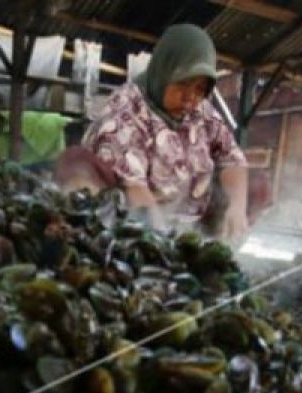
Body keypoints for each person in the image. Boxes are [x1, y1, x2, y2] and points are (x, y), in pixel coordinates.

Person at [55, 24, 250, 243]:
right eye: (183, 84)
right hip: (136, 219)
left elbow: (231, 157)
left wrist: (237, 206)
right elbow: (135, 193)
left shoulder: (199, 107)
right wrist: (164, 247)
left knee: (254, 187)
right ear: (164, 71)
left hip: (191, 218)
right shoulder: (124, 113)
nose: (190, 97)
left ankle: (226, 244)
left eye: (200, 88)